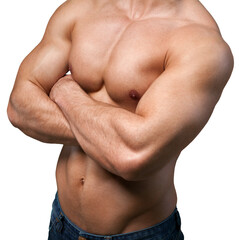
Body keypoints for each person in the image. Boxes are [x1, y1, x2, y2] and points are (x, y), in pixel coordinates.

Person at [7, 0, 233, 239]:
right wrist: (115, 139)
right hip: (62, 223)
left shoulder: (201, 42)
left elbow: (135, 155)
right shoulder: (81, 8)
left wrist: (66, 92)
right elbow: (19, 106)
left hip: (140, 235)